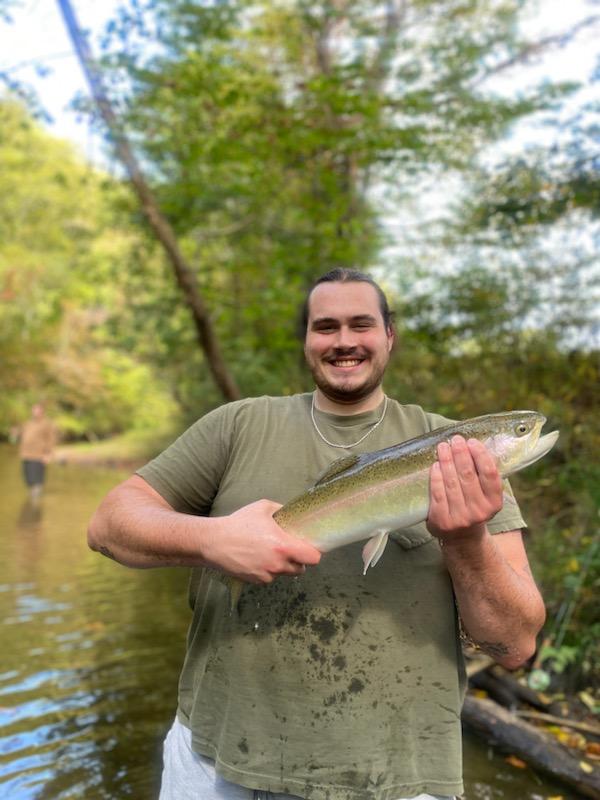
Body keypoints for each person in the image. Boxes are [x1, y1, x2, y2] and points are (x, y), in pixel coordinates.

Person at [88, 269, 546, 800]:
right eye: (325, 326)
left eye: (361, 324)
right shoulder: (238, 425)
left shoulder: (461, 461)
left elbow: (515, 643)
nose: (345, 340)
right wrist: (212, 540)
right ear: (307, 340)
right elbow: (108, 524)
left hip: (400, 778)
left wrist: (467, 539)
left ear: (389, 336)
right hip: (216, 763)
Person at [17, 403, 57, 500]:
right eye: (33, 410)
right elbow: (24, 435)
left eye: (37, 410)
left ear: (42, 411)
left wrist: (48, 455)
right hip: (26, 455)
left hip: (38, 456)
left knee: (37, 480)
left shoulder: (46, 424)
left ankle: (36, 503)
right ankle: (31, 500)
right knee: (28, 479)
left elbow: (51, 440)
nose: (35, 412)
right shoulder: (28, 423)